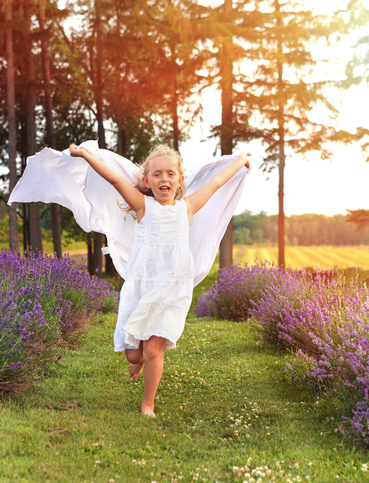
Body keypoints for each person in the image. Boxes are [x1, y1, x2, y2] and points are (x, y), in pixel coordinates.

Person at [68, 143, 251, 417]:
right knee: (134, 354)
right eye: (157, 174)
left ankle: (148, 403)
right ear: (146, 180)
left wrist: (241, 161)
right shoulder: (142, 206)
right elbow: (115, 179)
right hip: (142, 284)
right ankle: (138, 360)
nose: (164, 179)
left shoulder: (187, 207)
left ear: (179, 180)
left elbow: (216, 182)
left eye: (169, 174)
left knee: (154, 349)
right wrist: (85, 155)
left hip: (172, 285)